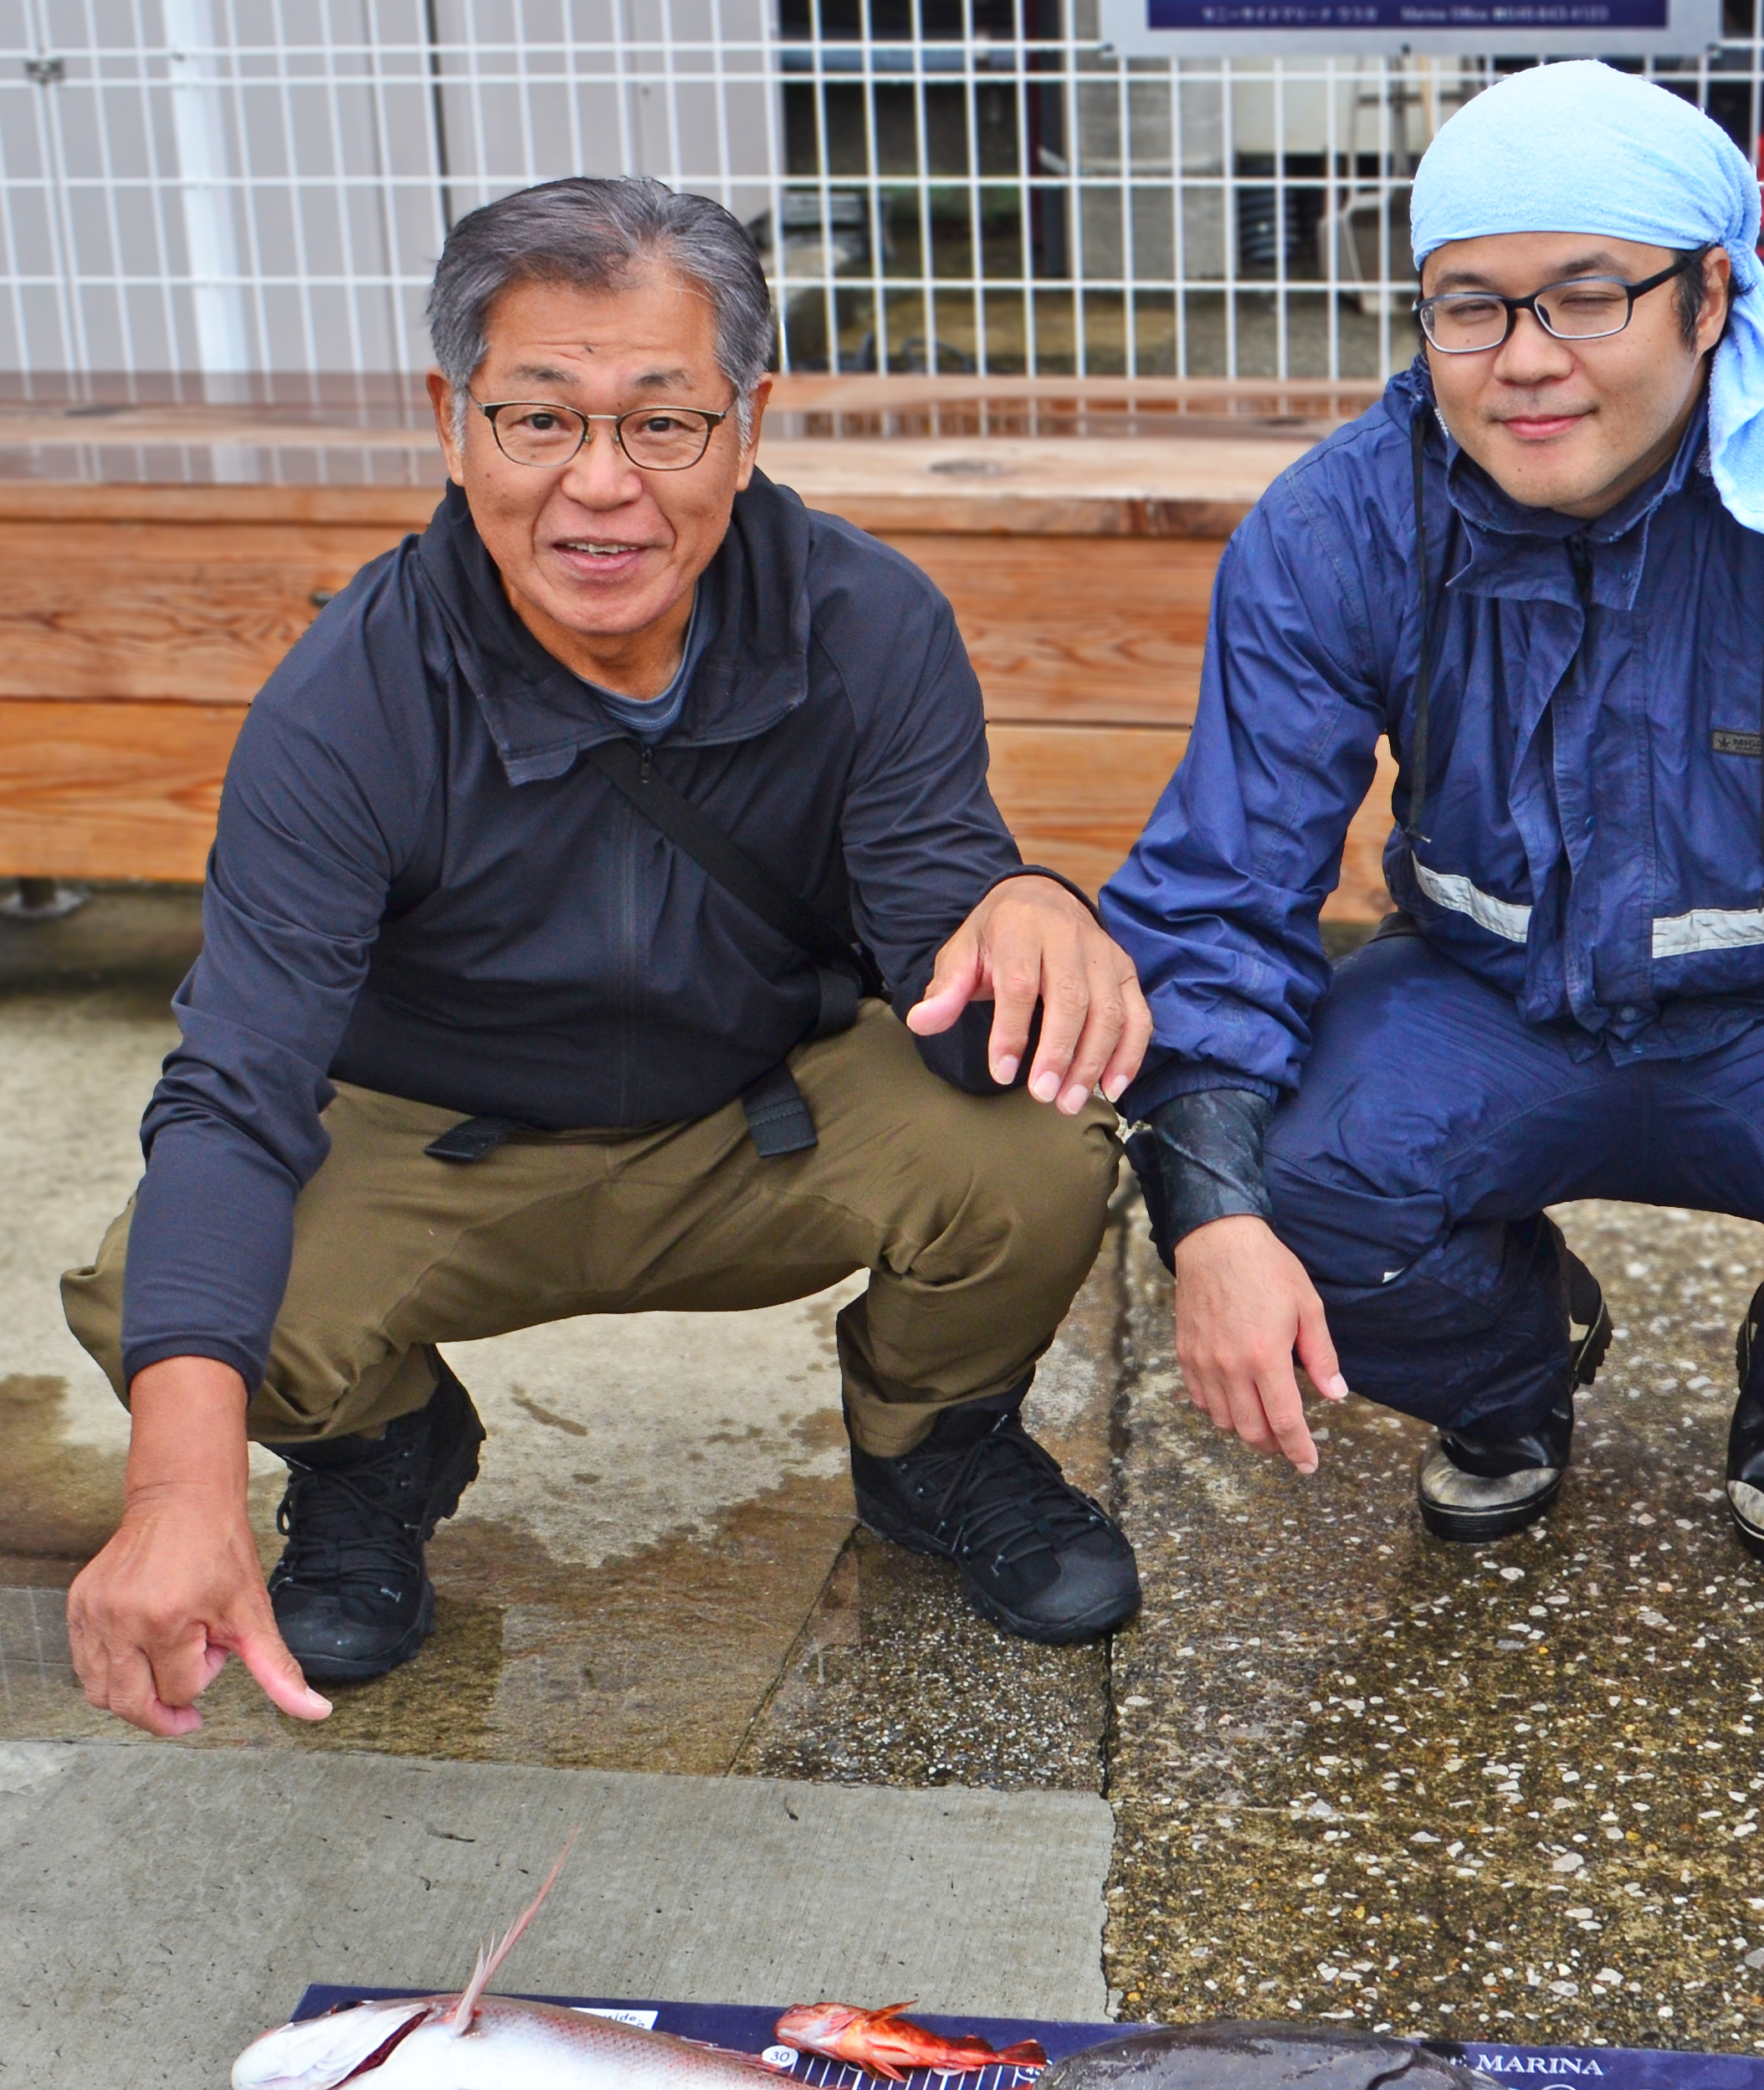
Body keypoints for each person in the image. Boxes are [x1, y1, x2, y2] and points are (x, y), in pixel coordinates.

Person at [61, 176, 1150, 1739]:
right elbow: (234, 1090)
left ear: (747, 423)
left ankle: (937, 1448)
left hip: (759, 1109)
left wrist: (1029, 907)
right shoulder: (346, 701)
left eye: (661, 423)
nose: (601, 490)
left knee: (1043, 1139)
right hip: (446, 1143)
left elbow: (951, 985)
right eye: (539, 420)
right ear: (451, 422)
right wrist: (176, 1489)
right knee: (151, 1290)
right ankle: (373, 1460)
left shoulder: (868, 623)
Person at [1102, 64, 1764, 1574]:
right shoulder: (1343, 523)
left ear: (1710, 297)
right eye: (1470, 303)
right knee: (1278, 1188)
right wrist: (1204, 1213)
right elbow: (1217, 895)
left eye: (1587, 296)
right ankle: (1515, 1374)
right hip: (1493, 1000)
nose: (1523, 360)